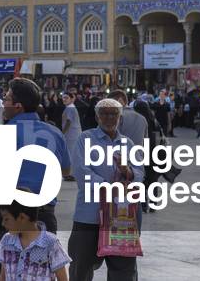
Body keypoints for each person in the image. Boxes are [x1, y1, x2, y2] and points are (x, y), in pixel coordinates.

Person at [0, 78, 70, 281]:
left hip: (10, 217)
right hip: (44, 215)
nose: (4, 102)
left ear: (18, 106)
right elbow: (65, 170)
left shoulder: (6, 133)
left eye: (8, 98)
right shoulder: (55, 133)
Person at [67, 98, 141, 280]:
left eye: (114, 114)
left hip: (120, 218)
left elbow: (140, 174)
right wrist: (110, 188)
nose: (109, 118)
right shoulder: (86, 139)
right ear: (97, 116)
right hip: (90, 215)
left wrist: (128, 171)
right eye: (105, 114)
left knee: (124, 269)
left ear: (120, 117)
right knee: (81, 266)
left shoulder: (128, 144)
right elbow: (81, 171)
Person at [0, 201, 69, 281]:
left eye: (6, 219)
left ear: (22, 217)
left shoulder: (51, 243)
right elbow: (3, 276)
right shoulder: (6, 240)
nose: (3, 223)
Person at [60, 91, 82, 180]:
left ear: (72, 99)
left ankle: (71, 173)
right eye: (63, 98)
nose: (64, 99)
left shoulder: (69, 108)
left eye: (66, 98)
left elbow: (68, 122)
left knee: (70, 153)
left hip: (71, 134)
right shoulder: (71, 108)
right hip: (74, 133)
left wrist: (63, 132)